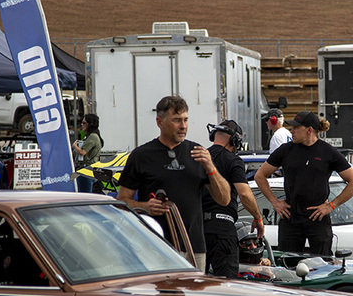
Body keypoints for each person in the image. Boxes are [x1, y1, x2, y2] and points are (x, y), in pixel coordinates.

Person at [117, 95, 230, 272]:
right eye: (177, 120)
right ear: (159, 122)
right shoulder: (141, 156)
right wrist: (145, 207)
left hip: (193, 248)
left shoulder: (198, 153)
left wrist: (211, 168)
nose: (183, 126)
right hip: (154, 247)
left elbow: (224, 199)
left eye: (185, 120)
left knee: (193, 291)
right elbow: (122, 201)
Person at [254, 110, 353, 255]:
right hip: (290, 217)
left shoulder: (328, 152)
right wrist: (275, 202)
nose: (291, 131)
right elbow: (260, 176)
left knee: (323, 263)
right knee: (287, 263)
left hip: (318, 217)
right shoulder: (286, 150)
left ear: (309, 130)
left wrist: (331, 206)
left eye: (296, 128)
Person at [202, 120, 265, 278]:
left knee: (196, 283)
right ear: (235, 140)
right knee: (226, 284)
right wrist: (258, 218)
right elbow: (244, 194)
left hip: (197, 229)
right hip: (223, 230)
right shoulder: (233, 160)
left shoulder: (200, 158)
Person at [73, 113, 103, 193]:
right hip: (90, 170)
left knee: (84, 196)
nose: (81, 125)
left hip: (87, 170)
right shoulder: (90, 136)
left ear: (91, 124)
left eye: (84, 123)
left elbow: (82, 152)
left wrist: (75, 146)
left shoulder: (93, 136)